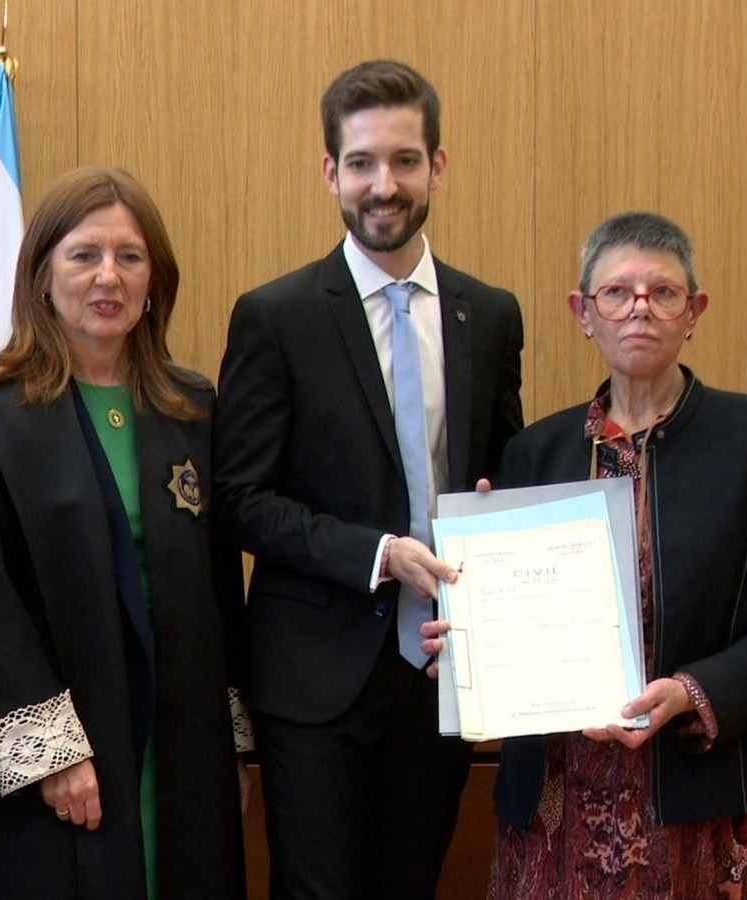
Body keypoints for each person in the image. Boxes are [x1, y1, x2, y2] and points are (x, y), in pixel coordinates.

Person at [422, 211, 747, 897]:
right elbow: (501, 626)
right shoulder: (536, 454)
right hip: (555, 811)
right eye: (617, 294)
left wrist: (692, 692)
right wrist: (464, 632)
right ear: (583, 313)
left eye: (664, 293)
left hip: (705, 805)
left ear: (695, 311)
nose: (639, 310)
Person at [214, 59, 524, 899]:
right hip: (314, 680)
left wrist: (500, 518)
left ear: (438, 165)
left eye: (404, 160)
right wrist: (378, 553)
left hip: (441, 673)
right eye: (361, 163)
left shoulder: (488, 314)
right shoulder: (274, 317)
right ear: (330, 173)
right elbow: (238, 502)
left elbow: (503, 467)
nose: (383, 185)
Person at [0, 166, 249, 899]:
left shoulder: (190, 406)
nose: (109, 277)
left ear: (154, 280)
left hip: (179, 741)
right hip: (50, 753)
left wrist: (227, 744)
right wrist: (50, 754)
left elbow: (217, 583)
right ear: (41, 274)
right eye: (83, 255)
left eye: (130, 258)